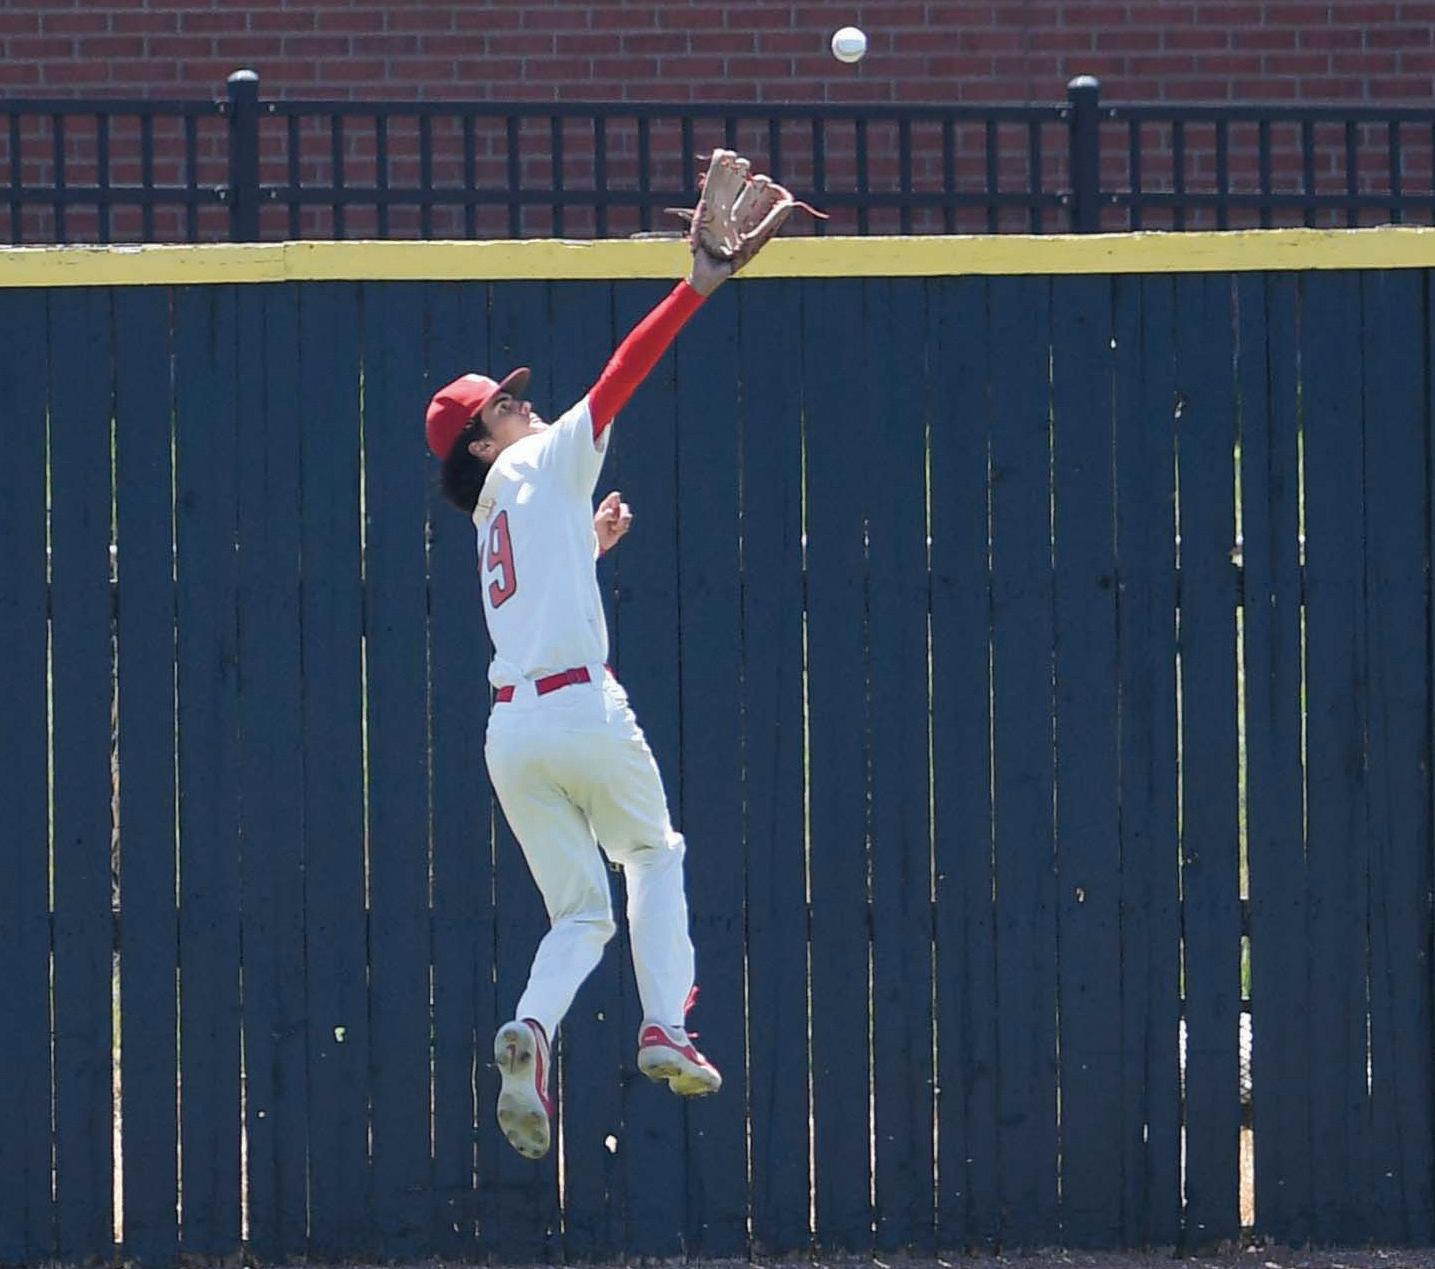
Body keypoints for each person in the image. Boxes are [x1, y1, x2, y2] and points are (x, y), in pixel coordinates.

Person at [424, 245, 734, 1161]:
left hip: (512, 730)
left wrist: (589, 543)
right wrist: (695, 287)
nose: (523, 404)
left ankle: (531, 1025)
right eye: (503, 405)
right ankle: (664, 1024)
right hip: (581, 709)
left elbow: (539, 598)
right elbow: (621, 373)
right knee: (652, 851)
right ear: (482, 443)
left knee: (581, 914)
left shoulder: (491, 514)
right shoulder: (545, 457)